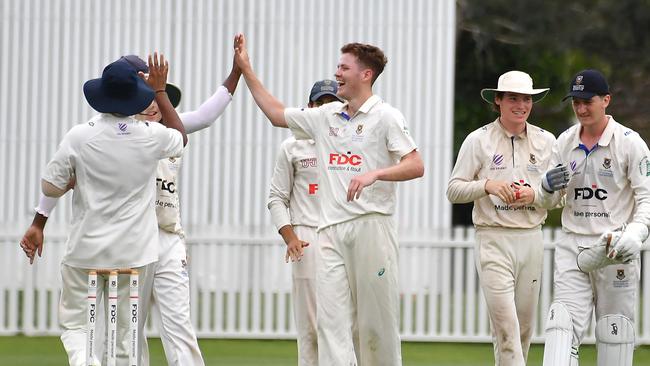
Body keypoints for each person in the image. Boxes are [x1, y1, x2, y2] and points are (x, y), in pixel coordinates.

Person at [21, 54, 242, 365]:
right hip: (134, 251)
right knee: (125, 335)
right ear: (138, 95)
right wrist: (162, 90)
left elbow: (50, 186)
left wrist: (44, 215)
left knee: (80, 327)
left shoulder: (79, 135)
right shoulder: (151, 136)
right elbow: (181, 137)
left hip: (91, 249)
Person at [233, 33, 424, 366]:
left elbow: (415, 164)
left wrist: (374, 174)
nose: (337, 73)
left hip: (371, 227)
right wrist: (247, 70)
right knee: (330, 323)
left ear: (365, 74)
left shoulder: (386, 116)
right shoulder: (326, 117)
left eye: (344, 67)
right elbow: (276, 114)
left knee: (375, 324)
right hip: (331, 230)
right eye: (338, 66)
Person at [537, 69, 650, 366]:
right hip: (573, 246)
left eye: (588, 101)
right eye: (576, 102)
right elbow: (550, 202)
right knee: (560, 328)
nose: (581, 108)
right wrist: (547, 187)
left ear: (606, 100)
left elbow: (646, 197)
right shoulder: (563, 142)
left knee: (615, 334)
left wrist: (635, 234)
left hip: (615, 247)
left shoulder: (630, 142)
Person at [446, 70, 556, 366]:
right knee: (506, 330)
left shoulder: (546, 141)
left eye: (526, 99)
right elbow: (453, 190)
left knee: (522, 331)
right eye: (512, 98)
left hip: (531, 237)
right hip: (493, 238)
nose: (520, 105)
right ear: (498, 101)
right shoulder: (478, 140)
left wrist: (533, 195)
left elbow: (561, 196)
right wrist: (488, 185)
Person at [267, 79, 342, 366]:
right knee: (310, 325)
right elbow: (276, 197)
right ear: (310, 107)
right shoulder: (293, 147)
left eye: (332, 103)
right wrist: (290, 237)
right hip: (307, 238)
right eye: (320, 103)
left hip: (342, 235)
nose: (325, 108)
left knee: (344, 324)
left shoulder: (351, 143)